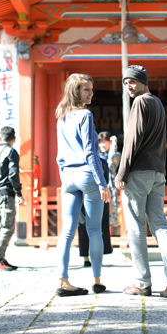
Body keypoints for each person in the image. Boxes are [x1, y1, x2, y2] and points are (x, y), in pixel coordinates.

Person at [116, 65, 167, 298]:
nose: (129, 86)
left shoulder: (140, 102)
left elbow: (132, 140)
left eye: (133, 81)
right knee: (160, 225)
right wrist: (162, 172)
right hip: (157, 172)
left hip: (139, 172)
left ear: (144, 82)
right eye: (126, 82)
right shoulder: (158, 104)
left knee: (135, 226)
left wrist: (121, 173)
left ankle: (142, 282)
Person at [56, 73, 111, 297]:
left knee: (66, 232)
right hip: (87, 175)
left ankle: (63, 280)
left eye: (91, 89)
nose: (91, 93)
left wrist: (63, 175)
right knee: (95, 229)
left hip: (67, 175)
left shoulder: (61, 116)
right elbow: (91, 152)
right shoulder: (85, 115)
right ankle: (97, 281)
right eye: (86, 89)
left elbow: (59, 154)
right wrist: (103, 183)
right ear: (75, 91)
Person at [0, 126, 24, 271]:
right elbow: (13, 174)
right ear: (14, 139)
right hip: (6, 193)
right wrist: (19, 192)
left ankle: (0, 258)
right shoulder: (11, 152)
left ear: (0, 137)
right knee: (8, 227)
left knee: (0, 227)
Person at [78, 131, 114, 266]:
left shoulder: (80, 160)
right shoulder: (101, 161)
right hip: (99, 196)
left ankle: (88, 258)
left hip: (86, 196)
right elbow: (105, 182)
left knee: (86, 226)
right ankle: (95, 257)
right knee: (98, 226)